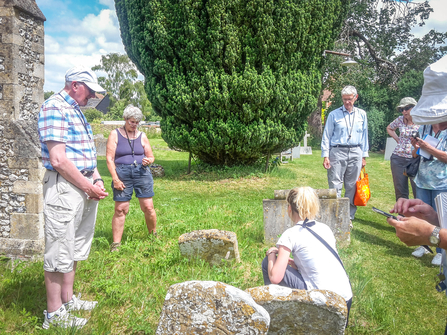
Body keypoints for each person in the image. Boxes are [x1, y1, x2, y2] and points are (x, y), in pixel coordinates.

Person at [38, 66, 109, 329]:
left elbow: (86, 153)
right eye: (90, 90)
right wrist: (87, 186)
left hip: (82, 183)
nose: (92, 96)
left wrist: (97, 178)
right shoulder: (54, 107)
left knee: (74, 246)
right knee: (58, 248)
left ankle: (67, 300)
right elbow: (58, 159)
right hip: (65, 187)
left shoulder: (75, 110)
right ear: (76, 84)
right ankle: (54, 316)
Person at [387, 54, 447, 334]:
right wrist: (433, 218)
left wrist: (434, 234)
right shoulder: (421, 125)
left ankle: (436, 250)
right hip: (424, 176)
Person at [261, 187, 352, 318]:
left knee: (267, 263)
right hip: (345, 300)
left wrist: (270, 254)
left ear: (289, 209)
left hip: (323, 303)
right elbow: (322, 260)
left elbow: (275, 277)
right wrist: (296, 264)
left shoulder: (290, 234)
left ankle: (273, 312)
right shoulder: (325, 228)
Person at [106, 104, 157, 252]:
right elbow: (109, 159)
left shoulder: (142, 136)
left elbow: (151, 156)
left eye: (137, 122)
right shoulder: (114, 134)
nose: (134, 125)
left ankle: (153, 236)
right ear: (125, 119)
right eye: (132, 122)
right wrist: (115, 179)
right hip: (122, 173)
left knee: (148, 207)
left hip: (142, 173)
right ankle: (116, 244)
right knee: (121, 209)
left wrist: (149, 160)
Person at [321, 85, 369, 221]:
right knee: (335, 183)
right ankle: (335, 214)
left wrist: (364, 156)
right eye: (344, 100)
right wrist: (326, 155)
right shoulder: (334, 114)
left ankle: (349, 216)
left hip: (356, 151)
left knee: (352, 184)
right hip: (337, 150)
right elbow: (327, 135)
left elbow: (365, 135)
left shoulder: (362, 114)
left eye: (349, 99)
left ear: (355, 97)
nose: (347, 102)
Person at [386, 97, 419, 201]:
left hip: (415, 159)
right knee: (400, 192)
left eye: (407, 108)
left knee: (418, 191)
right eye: (402, 109)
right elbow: (389, 128)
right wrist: (397, 139)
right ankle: (402, 216)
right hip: (398, 158)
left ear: (415, 107)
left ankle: (418, 216)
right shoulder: (400, 120)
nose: (404, 111)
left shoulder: (421, 121)